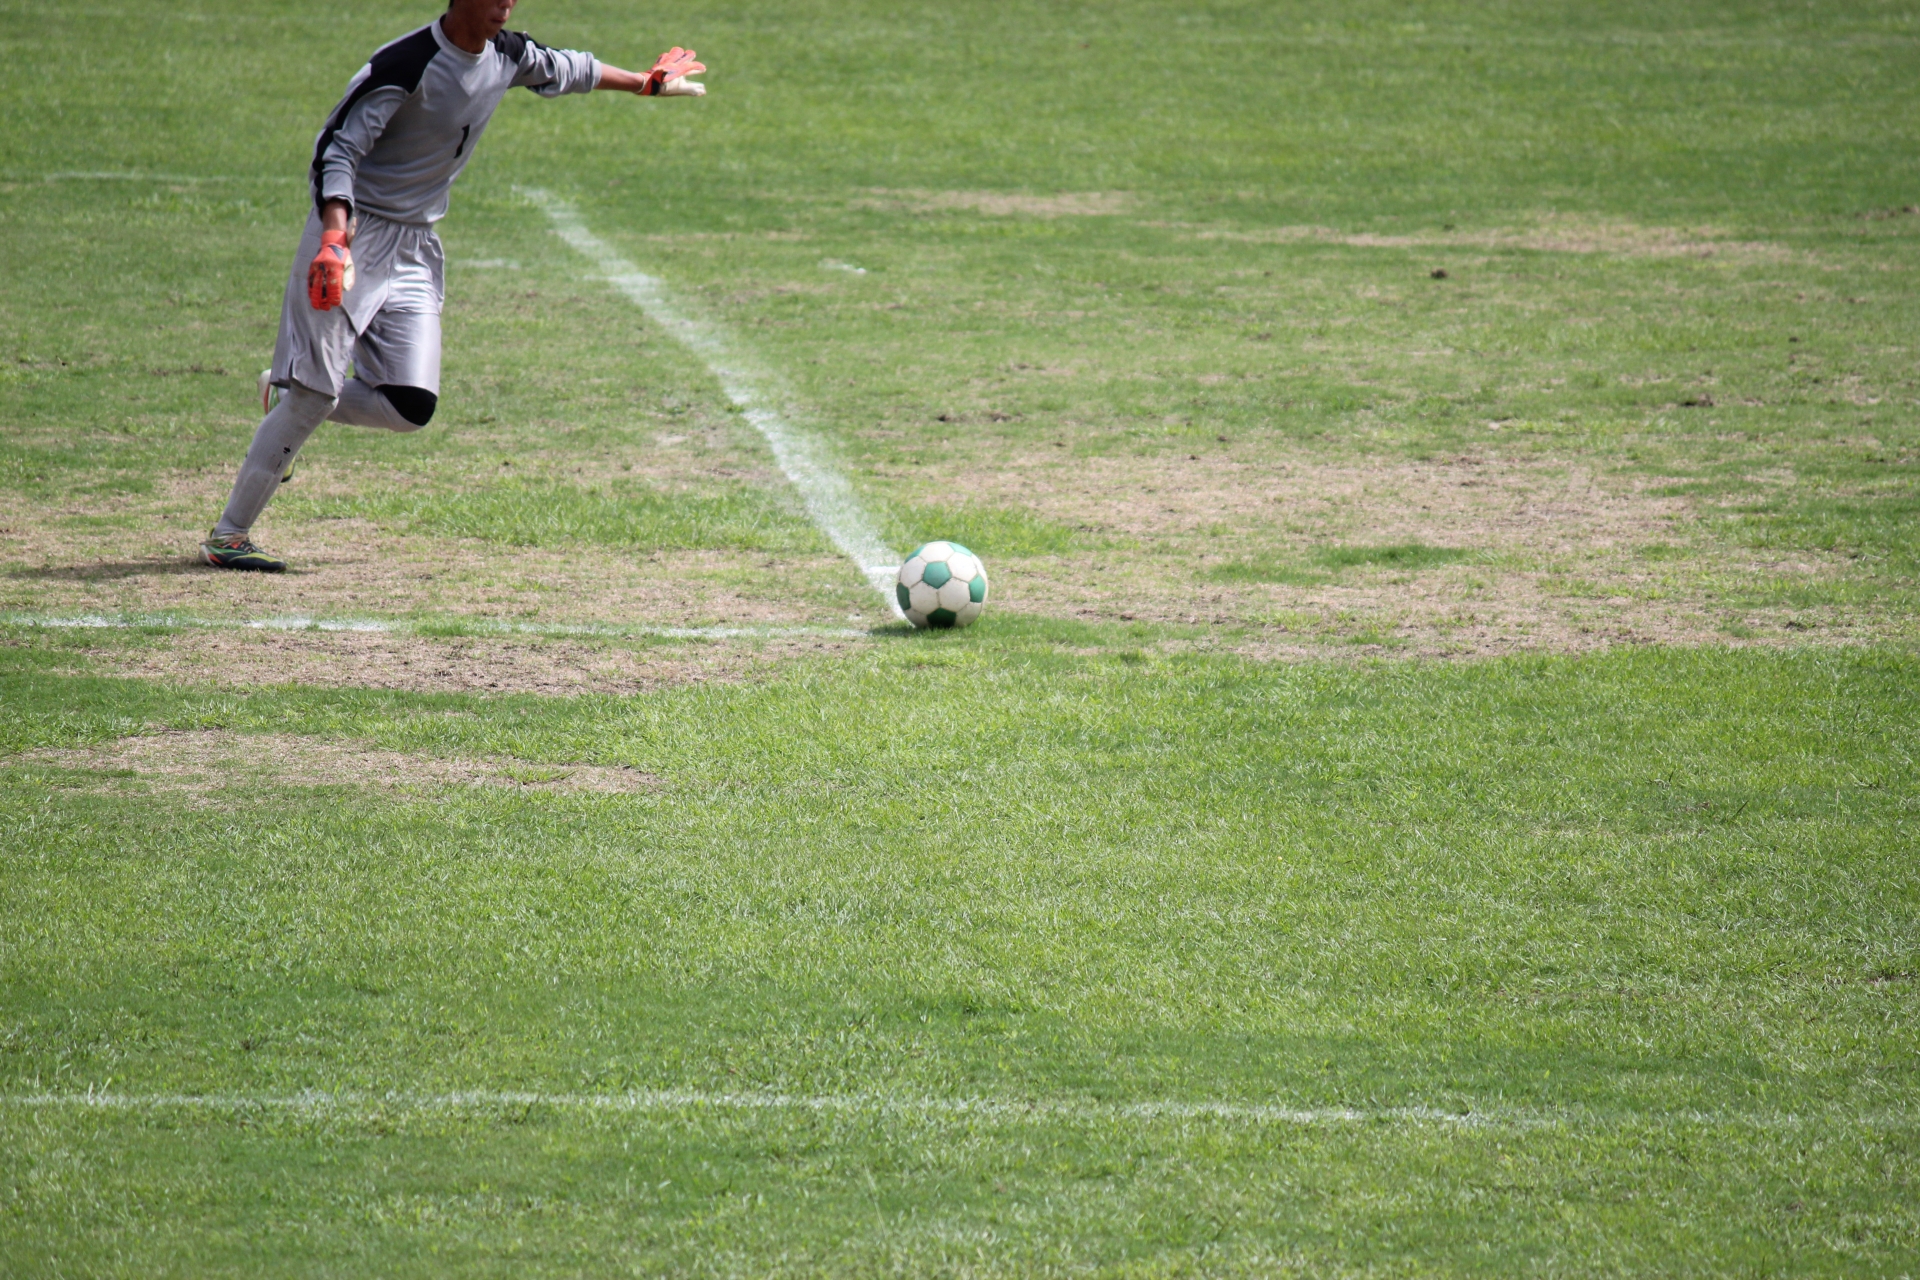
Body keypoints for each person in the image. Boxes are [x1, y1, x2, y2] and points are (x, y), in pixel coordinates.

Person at [201, 0, 704, 570]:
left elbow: (571, 68)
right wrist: (334, 238)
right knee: (319, 393)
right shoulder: (405, 65)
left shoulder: (506, 53)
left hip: (416, 247)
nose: (505, 7)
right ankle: (230, 534)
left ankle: (286, 392)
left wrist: (646, 83)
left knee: (409, 405)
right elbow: (336, 150)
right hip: (352, 240)